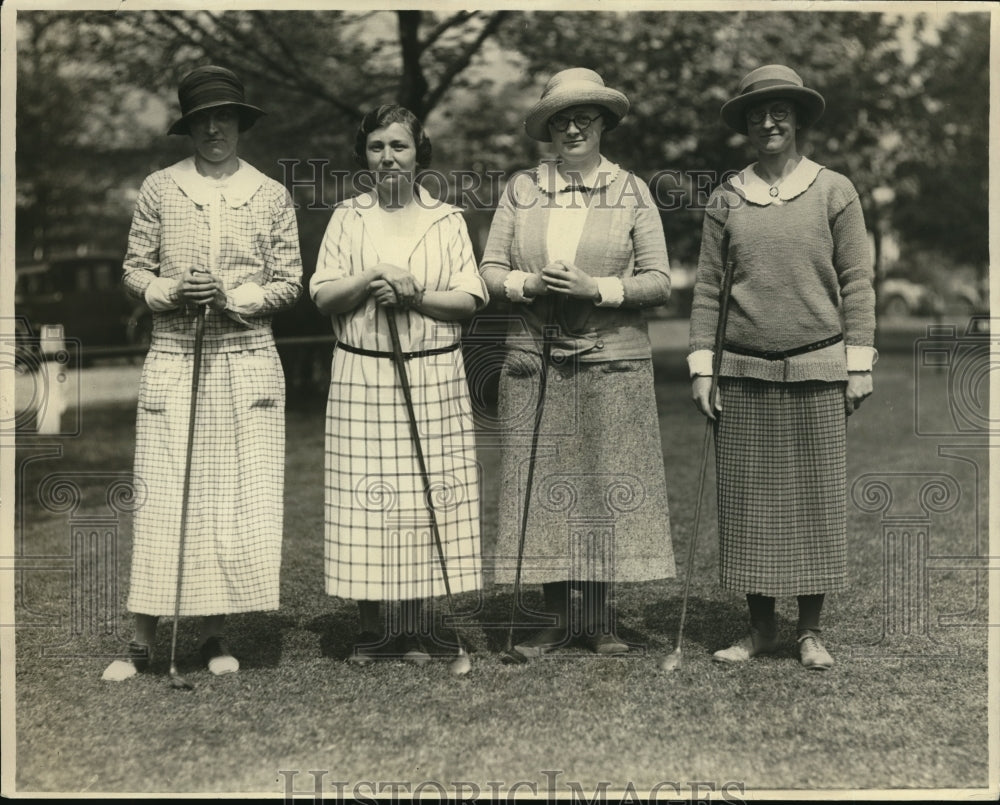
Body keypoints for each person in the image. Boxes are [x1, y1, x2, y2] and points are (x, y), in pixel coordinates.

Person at [103, 65, 303, 681]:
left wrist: (232, 296)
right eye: (202, 120)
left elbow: (289, 282)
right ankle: (141, 640)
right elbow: (133, 269)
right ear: (188, 128)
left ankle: (215, 635)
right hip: (174, 358)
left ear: (240, 123)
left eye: (224, 117)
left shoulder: (270, 194)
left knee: (230, 504)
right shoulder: (160, 187)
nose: (214, 129)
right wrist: (169, 289)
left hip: (245, 361)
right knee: (164, 499)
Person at [479, 68, 675, 658]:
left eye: (584, 118)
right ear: (548, 129)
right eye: (561, 119)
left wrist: (599, 289)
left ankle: (596, 620)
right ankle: (553, 620)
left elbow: (659, 280)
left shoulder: (631, 191)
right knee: (544, 488)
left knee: (602, 485)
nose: (572, 129)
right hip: (534, 360)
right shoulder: (522, 189)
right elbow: (487, 271)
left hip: (609, 360)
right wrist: (528, 283)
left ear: (603, 123)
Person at [688, 64, 876, 671]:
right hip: (742, 372)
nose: (768, 123)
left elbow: (857, 281)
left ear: (796, 120)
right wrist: (702, 368)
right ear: (745, 124)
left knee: (814, 503)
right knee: (750, 505)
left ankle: (809, 632)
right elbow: (709, 289)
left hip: (818, 367)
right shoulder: (726, 197)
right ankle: (761, 629)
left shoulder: (834, 190)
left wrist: (859, 363)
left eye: (779, 112)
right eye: (757, 114)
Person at [311, 104, 487, 665]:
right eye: (376, 147)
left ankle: (412, 630)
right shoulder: (347, 217)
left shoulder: (447, 219)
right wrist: (373, 277)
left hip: (433, 372)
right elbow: (323, 296)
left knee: (422, 498)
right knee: (364, 500)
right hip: (363, 371)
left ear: (418, 153)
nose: (388, 158)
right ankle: (371, 631)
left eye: (399, 146)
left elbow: (469, 300)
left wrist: (413, 296)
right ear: (364, 155)